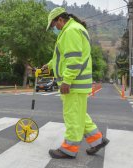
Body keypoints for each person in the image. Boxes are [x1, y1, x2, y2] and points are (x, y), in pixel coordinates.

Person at [42, 7, 109, 159]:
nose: (55, 29)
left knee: (72, 115)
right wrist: (49, 65)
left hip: (74, 83)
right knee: (79, 114)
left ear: (60, 19)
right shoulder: (73, 29)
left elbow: (74, 58)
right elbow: (63, 57)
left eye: (54, 25)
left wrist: (67, 81)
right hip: (78, 82)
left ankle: (69, 149)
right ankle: (98, 140)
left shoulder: (70, 31)